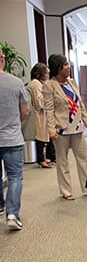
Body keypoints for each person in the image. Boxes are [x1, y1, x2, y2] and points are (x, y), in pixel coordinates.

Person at [42, 54, 87, 200]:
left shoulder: (72, 82)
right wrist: (51, 130)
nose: (68, 67)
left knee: (83, 159)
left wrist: (86, 120)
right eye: (65, 65)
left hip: (77, 128)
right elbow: (49, 109)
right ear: (58, 68)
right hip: (61, 129)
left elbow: (80, 104)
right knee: (62, 161)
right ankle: (66, 191)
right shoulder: (49, 86)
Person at [0, 46, 30, 230]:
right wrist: (13, 122)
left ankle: (0, 205)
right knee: (15, 176)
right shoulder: (16, 82)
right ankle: (12, 214)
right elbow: (25, 111)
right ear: (2, 59)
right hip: (12, 138)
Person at [29, 62, 55, 168]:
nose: (48, 75)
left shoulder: (42, 83)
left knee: (47, 134)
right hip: (40, 113)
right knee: (40, 136)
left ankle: (50, 157)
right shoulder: (35, 84)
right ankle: (41, 159)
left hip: (45, 113)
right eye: (46, 73)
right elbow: (38, 102)